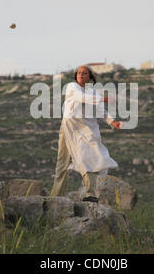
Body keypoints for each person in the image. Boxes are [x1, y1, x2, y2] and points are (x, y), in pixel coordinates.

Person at [52, 65, 122, 203]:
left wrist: (112, 122)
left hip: (85, 128)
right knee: (62, 164)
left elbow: (101, 111)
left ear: (90, 76)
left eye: (84, 73)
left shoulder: (94, 93)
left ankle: (91, 194)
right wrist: (105, 99)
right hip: (69, 126)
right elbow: (81, 97)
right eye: (78, 72)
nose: (81, 75)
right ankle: (56, 197)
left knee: (87, 157)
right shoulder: (72, 87)